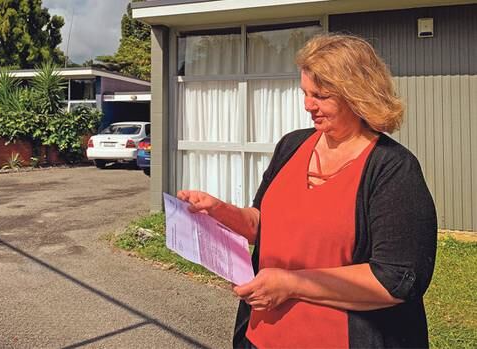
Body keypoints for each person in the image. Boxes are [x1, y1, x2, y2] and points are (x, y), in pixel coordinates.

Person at [177, 33, 437, 349]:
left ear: (359, 96)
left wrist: (292, 284)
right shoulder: (292, 146)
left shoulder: (393, 169)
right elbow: (261, 224)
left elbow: (395, 281)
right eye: (305, 93)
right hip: (260, 337)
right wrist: (219, 210)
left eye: (322, 96)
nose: (308, 105)